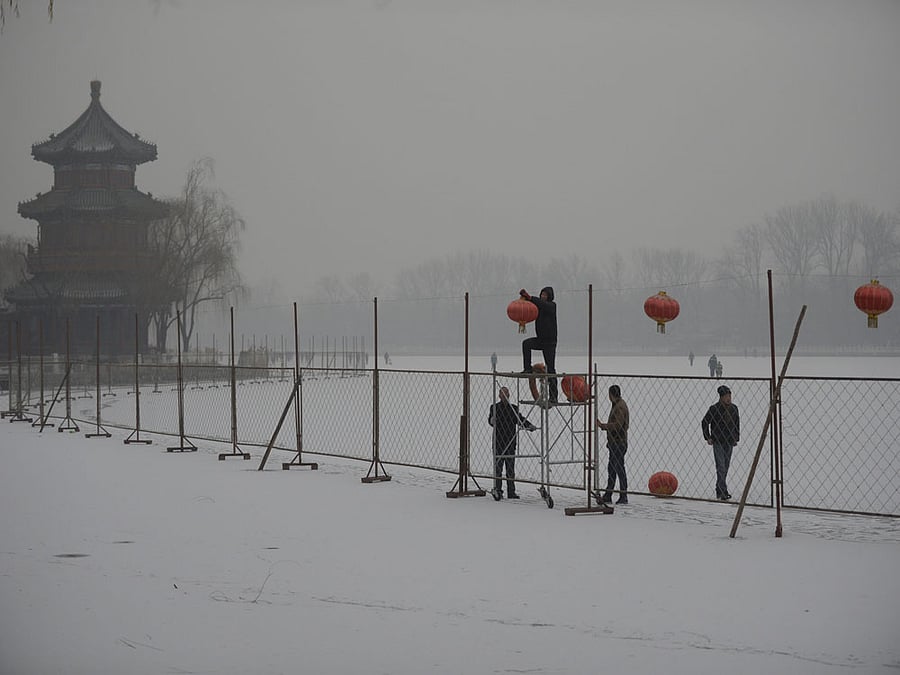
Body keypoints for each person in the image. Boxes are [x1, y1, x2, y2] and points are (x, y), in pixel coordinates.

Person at [488, 386, 536, 500]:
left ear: (509, 395)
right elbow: (490, 420)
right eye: (502, 394)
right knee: (498, 468)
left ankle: (511, 491)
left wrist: (528, 426)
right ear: (499, 396)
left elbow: (519, 419)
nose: (504, 396)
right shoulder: (494, 407)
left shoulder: (513, 408)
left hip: (510, 441)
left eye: (506, 393)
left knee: (510, 469)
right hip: (498, 441)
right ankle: (498, 490)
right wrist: (492, 420)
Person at [701, 385, 740, 501]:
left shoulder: (734, 408)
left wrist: (736, 437)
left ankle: (720, 489)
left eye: (730, 396)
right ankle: (722, 491)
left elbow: (737, 423)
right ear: (721, 397)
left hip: (729, 441)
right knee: (721, 467)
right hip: (718, 441)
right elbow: (704, 422)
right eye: (726, 396)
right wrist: (707, 437)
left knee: (726, 466)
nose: (728, 398)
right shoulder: (714, 409)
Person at [519, 286, 558, 403]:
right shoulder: (538, 307)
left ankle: (553, 396)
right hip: (540, 340)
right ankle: (527, 368)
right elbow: (532, 307)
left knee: (550, 369)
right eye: (542, 294)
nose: (543, 296)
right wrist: (524, 301)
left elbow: (542, 304)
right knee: (526, 344)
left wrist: (531, 297)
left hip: (550, 342)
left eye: (545, 295)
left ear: (550, 296)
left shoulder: (552, 306)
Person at [596, 384, 630, 504]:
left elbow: (618, 425)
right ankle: (608, 494)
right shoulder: (618, 404)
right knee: (612, 468)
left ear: (611, 395)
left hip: (618, 443)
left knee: (619, 468)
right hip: (615, 443)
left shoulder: (619, 407)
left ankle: (623, 495)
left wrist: (603, 426)